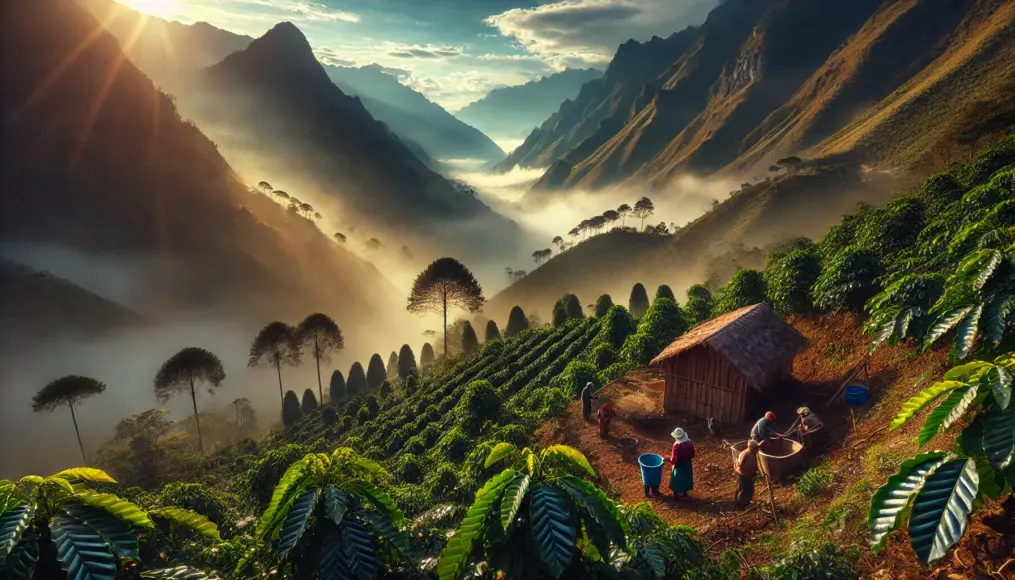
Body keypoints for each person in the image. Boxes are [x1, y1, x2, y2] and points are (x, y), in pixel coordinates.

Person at [665, 428, 695, 498]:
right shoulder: (689, 442)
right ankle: (685, 492)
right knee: (686, 477)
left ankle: (676, 494)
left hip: (679, 465)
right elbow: (692, 455)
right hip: (687, 463)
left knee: (677, 478)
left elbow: (674, 460)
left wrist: (668, 459)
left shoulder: (677, 446)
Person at [734, 440, 760, 509]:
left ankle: (740, 503)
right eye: (756, 448)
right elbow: (741, 465)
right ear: (752, 448)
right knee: (746, 490)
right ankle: (742, 505)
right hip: (743, 474)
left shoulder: (749, 452)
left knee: (742, 488)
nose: (758, 449)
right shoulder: (749, 454)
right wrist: (751, 473)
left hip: (742, 473)